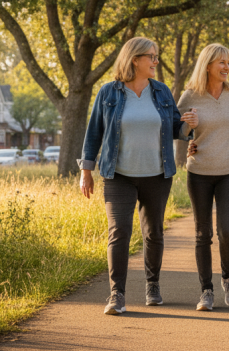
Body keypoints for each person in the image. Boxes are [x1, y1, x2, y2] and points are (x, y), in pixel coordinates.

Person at [78, 37, 198, 315]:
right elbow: (94, 132)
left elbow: (174, 129)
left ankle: (152, 285)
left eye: (157, 56)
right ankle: (116, 294)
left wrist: (188, 126)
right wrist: (86, 171)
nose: (156, 61)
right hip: (118, 175)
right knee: (119, 231)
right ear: (135, 59)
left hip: (157, 174)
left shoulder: (162, 92)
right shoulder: (109, 93)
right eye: (151, 57)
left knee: (153, 232)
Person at [177, 43, 229, 311]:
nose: (227, 67)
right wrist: (188, 135)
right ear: (207, 65)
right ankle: (206, 291)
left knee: (226, 230)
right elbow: (178, 129)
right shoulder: (190, 95)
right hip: (199, 173)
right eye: (222, 63)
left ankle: (228, 279)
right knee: (202, 233)